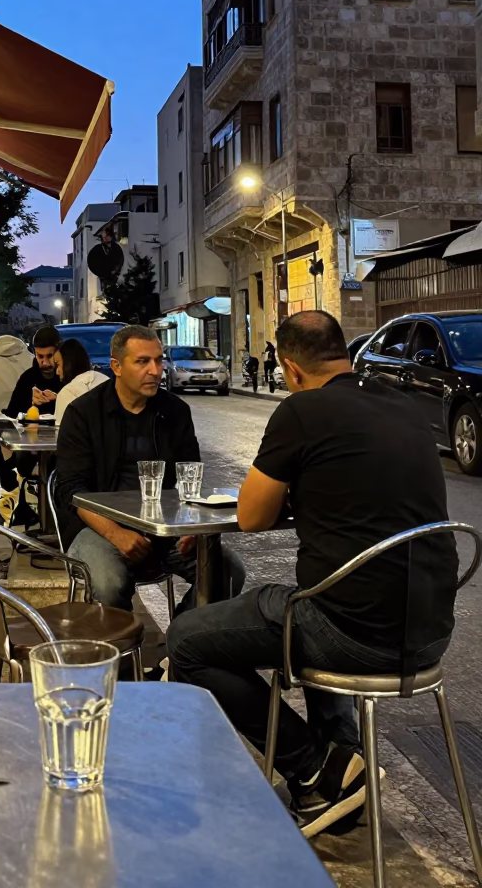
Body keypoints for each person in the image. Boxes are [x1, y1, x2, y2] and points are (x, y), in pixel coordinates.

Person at [167, 310, 458, 838]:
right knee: (316, 599)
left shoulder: (302, 411)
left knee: (187, 639)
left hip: (354, 633)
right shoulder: (404, 403)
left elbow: (253, 516)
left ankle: (315, 767)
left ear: (289, 367)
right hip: (429, 630)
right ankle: (338, 778)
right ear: (343, 352)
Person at [55, 324, 245, 613]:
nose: (155, 371)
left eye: (158, 360)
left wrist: (194, 529)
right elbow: (71, 490)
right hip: (97, 526)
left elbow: (190, 477)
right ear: (116, 366)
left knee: (228, 573)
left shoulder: (174, 411)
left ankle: (181, 646)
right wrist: (116, 534)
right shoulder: (84, 413)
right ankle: (122, 654)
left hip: (163, 529)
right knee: (108, 583)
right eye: (143, 361)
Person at [7, 325, 62, 417]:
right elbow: (13, 414)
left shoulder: (67, 377)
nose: (45, 363)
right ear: (34, 354)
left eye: (49, 356)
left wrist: (59, 399)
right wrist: (30, 403)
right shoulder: (27, 378)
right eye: (40, 356)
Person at [53, 338, 108, 425]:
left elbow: (62, 434)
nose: (57, 371)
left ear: (68, 363)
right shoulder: (105, 380)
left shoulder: (66, 393)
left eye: (58, 365)